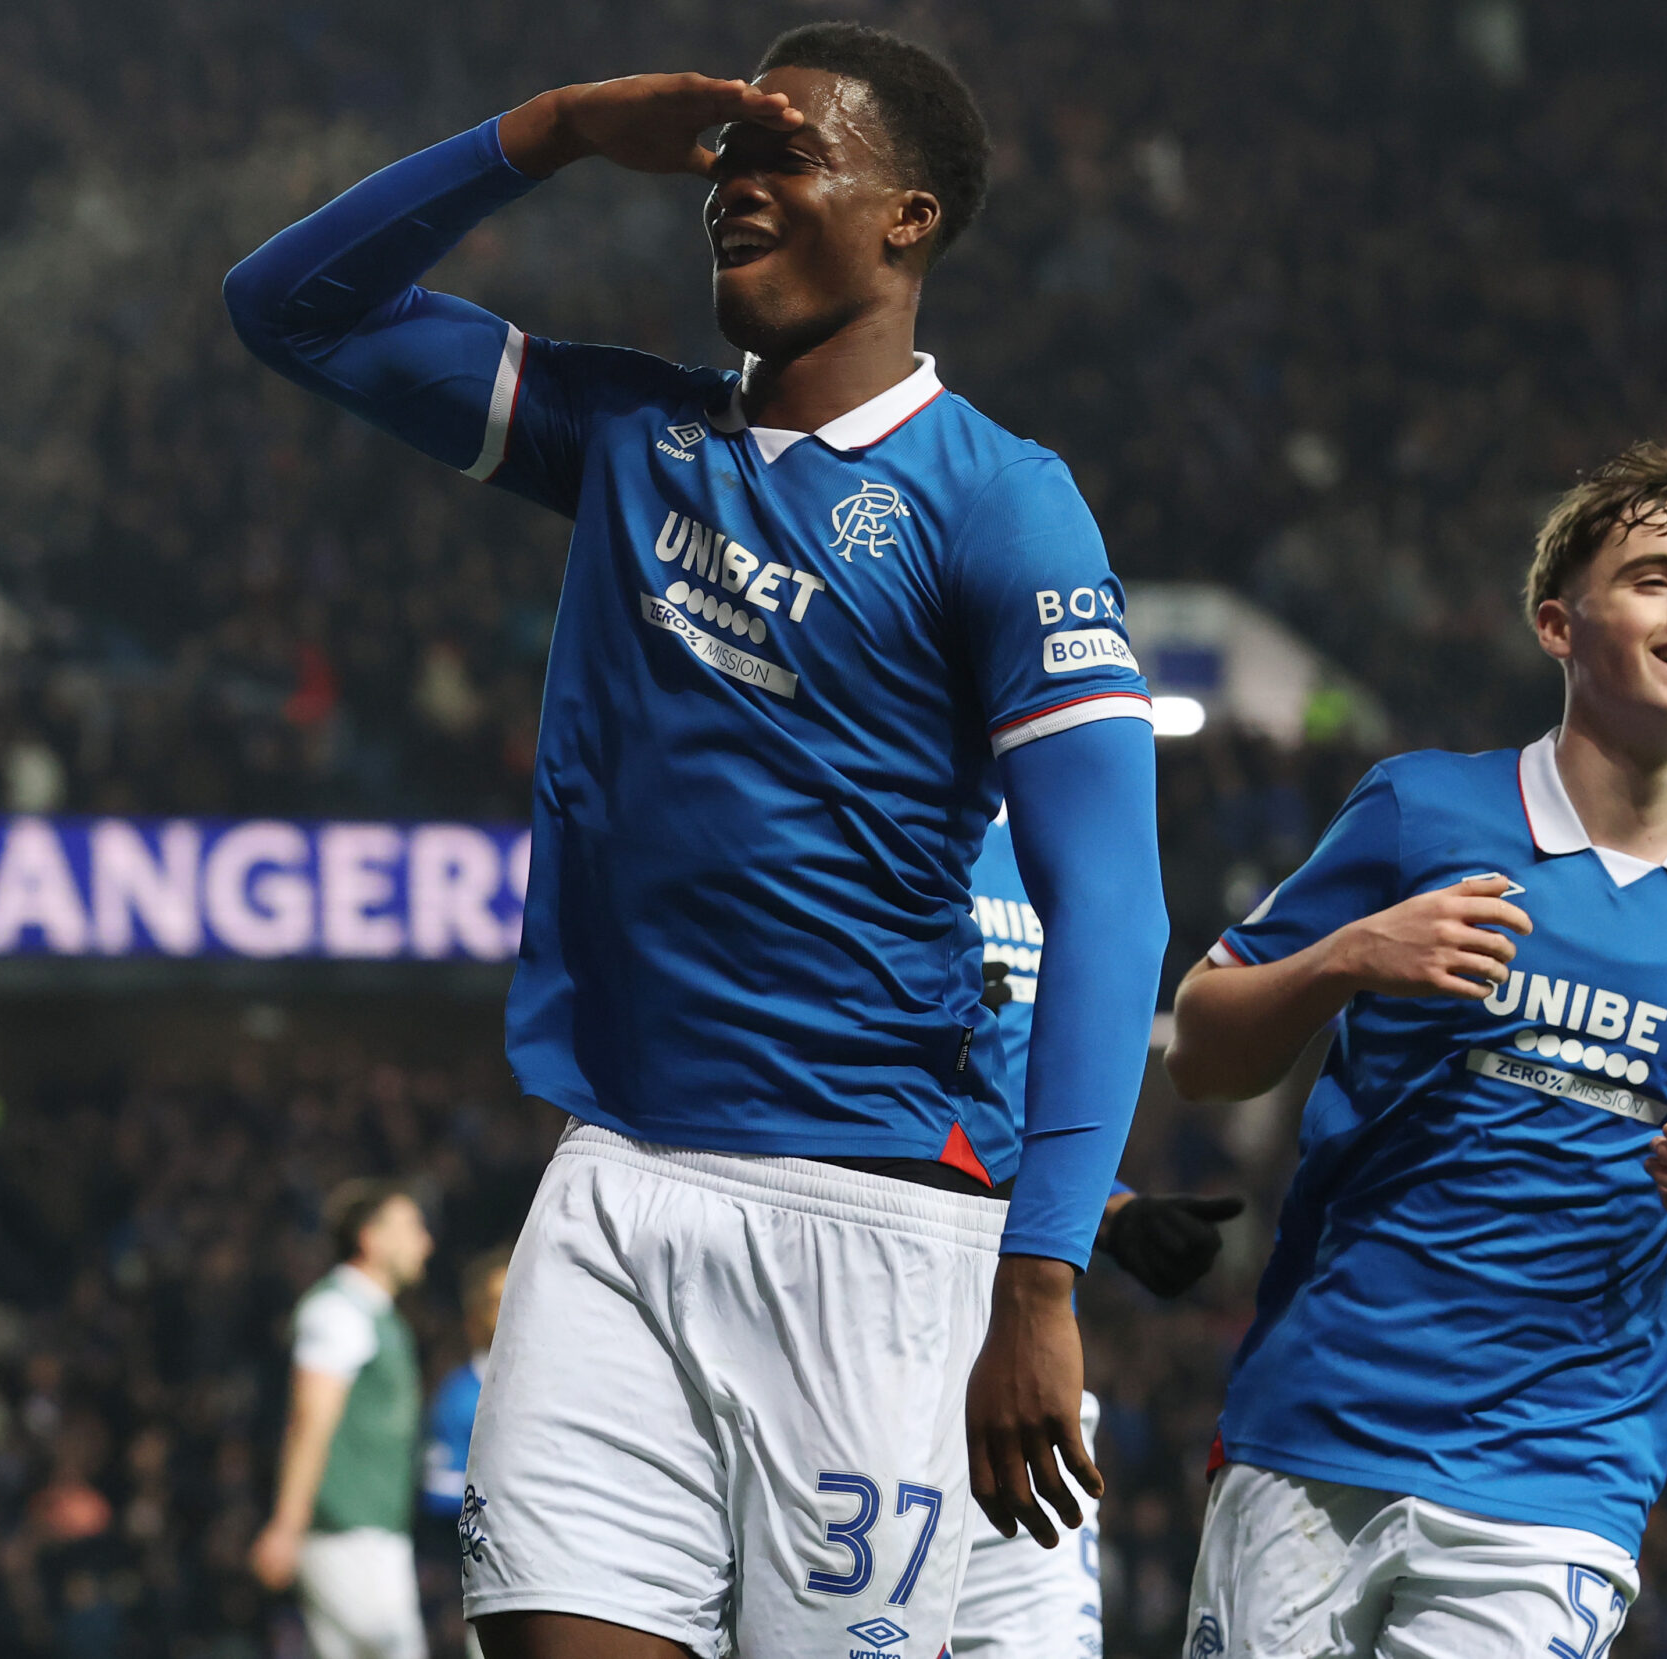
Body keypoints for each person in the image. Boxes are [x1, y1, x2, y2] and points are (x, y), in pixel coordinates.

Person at [225, 22, 1167, 1659]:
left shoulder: (1002, 500)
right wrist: (558, 127)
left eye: (791, 151)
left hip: (871, 1223)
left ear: (909, 217)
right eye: (729, 152)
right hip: (613, 1183)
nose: (734, 182)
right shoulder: (629, 439)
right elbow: (289, 306)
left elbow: (1115, 909)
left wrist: (1043, 1279)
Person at [1164, 442, 1667, 1656]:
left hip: (1561, 1474)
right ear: (1557, 625)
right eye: (1655, 577)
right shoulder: (1422, 811)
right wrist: (1347, 959)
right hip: (1320, 1425)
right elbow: (1200, 1050)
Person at [955, 812, 1241, 1658]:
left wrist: (1108, 1209)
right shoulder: (894, 798)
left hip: (1025, 1373)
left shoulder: (1071, 834)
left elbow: (1015, 1099)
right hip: (871, 1338)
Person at [251, 1181, 437, 1659]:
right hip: (347, 1535)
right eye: (411, 1227)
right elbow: (310, 1420)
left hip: (366, 1534)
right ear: (369, 1238)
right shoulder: (337, 1311)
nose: (426, 1242)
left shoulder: (379, 1317)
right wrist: (287, 1526)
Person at [422, 1248, 511, 1659]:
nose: (509, 1307)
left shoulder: (557, 1387)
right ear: (474, 1314)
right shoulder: (459, 1396)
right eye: (496, 1300)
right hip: (485, 1578)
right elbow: (437, 1488)